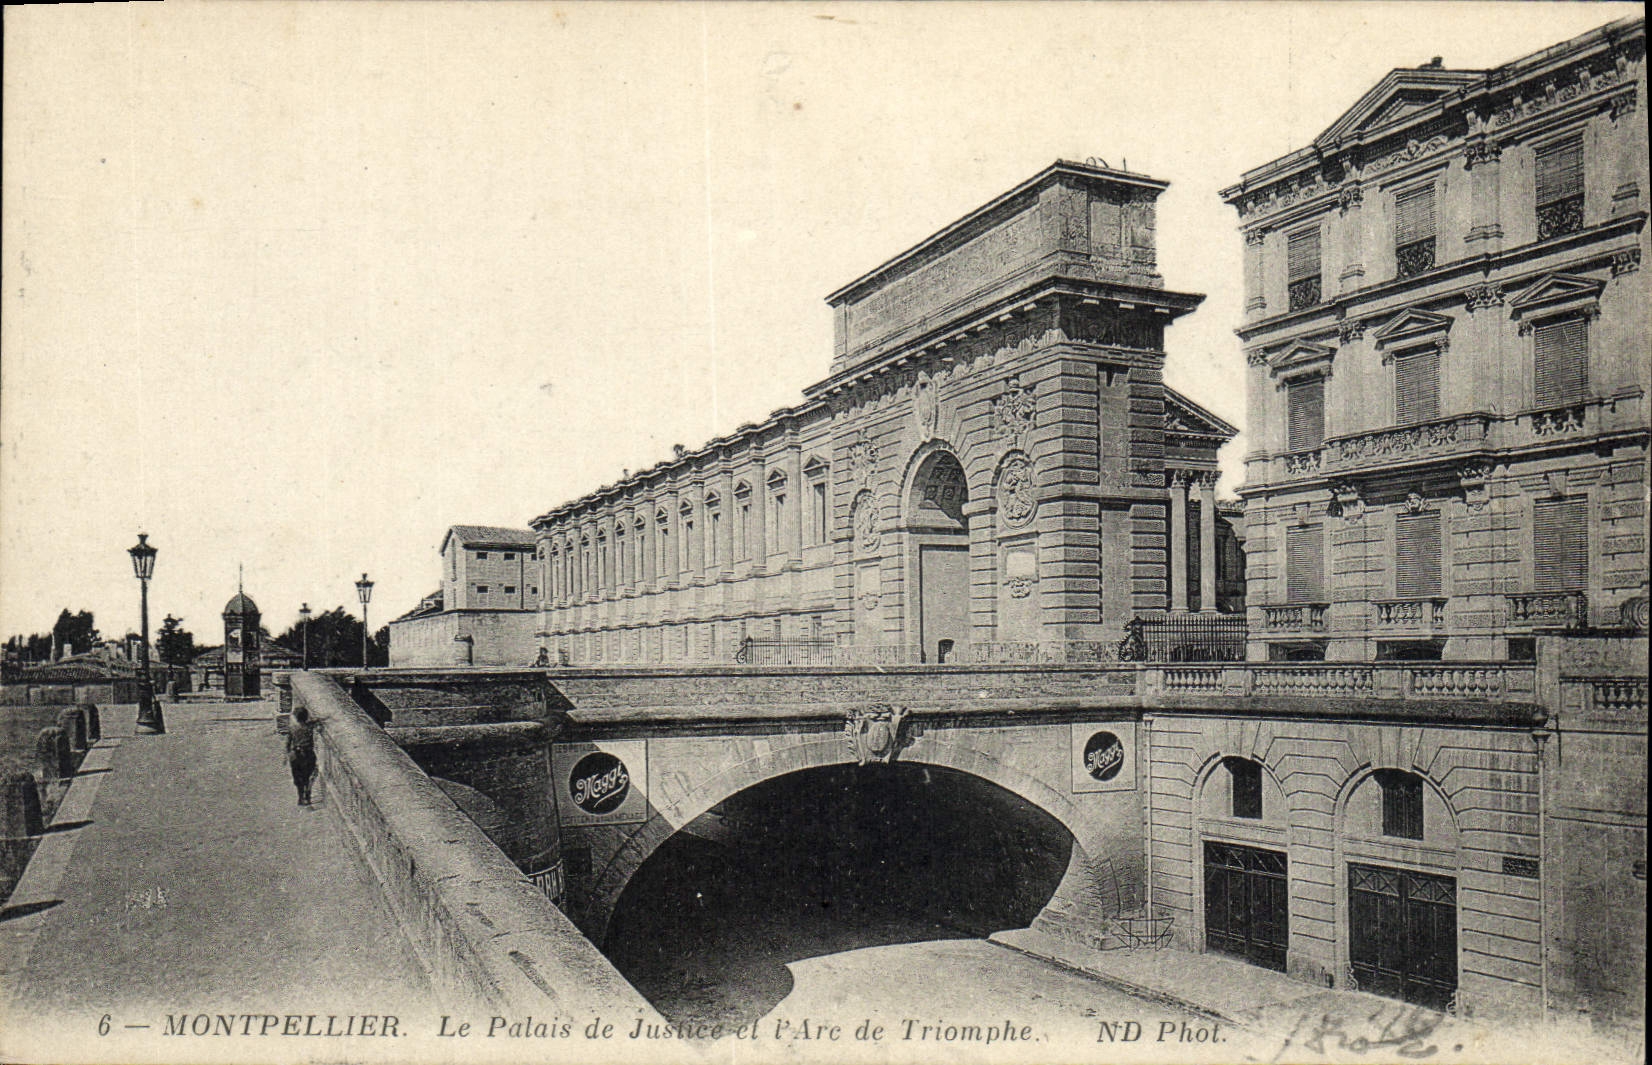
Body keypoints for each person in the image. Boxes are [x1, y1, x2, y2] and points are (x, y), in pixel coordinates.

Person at [286, 706, 318, 805]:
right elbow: (316, 722)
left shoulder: (292, 728)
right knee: (309, 775)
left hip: (295, 755)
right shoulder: (309, 727)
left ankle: (300, 797)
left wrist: (288, 755)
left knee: (298, 777)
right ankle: (307, 796)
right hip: (308, 754)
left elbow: (288, 744)